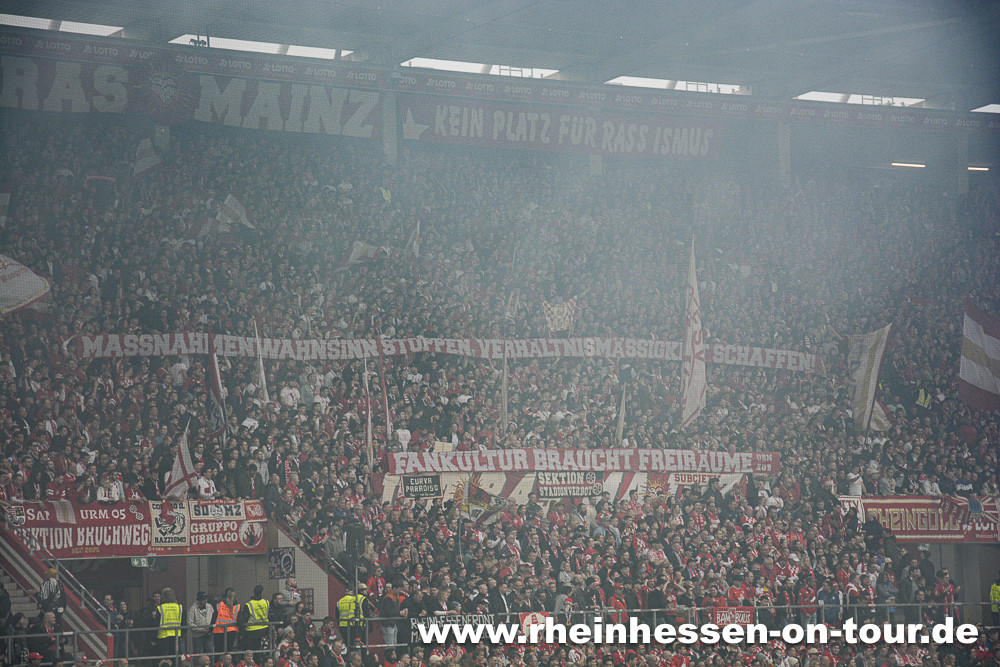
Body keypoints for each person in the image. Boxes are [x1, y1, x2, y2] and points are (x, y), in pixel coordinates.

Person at [154, 588, 183, 656]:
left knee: (163, 656)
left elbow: (156, 623)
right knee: (174, 655)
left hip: (163, 635)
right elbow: (183, 622)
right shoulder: (179, 607)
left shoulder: (160, 608)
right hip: (176, 634)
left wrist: (153, 637)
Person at [240, 585, 269, 652]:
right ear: (262, 592)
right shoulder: (266, 602)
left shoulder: (249, 604)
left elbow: (245, 618)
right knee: (260, 650)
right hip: (264, 629)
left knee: (250, 651)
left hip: (251, 630)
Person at [213, 588, 241, 654]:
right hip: (231, 631)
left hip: (218, 631)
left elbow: (214, 618)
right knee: (228, 652)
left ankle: (218, 664)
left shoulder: (219, 605)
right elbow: (240, 620)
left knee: (218, 652)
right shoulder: (237, 607)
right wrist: (242, 633)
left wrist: (210, 630)